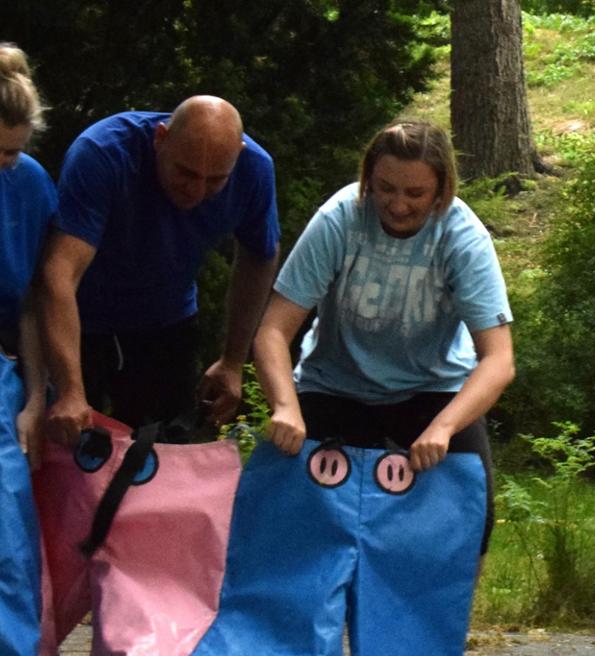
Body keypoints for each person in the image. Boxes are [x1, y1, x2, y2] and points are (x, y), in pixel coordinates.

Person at [254, 121, 509, 545]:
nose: (397, 205)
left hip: (433, 389)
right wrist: (284, 406)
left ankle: (448, 611)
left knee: (471, 518)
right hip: (333, 386)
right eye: (385, 188)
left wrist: (444, 428)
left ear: (442, 191)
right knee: (289, 513)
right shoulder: (338, 220)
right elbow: (273, 331)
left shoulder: (464, 237)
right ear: (368, 178)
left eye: (415, 194)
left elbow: (499, 359)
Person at [38, 95, 278, 440]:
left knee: (167, 448)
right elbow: (59, 272)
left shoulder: (255, 168)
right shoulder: (103, 152)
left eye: (214, 180)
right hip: (82, 319)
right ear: (161, 139)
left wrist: (232, 361)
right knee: (66, 442)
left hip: (166, 320)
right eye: (186, 172)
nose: (196, 191)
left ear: (238, 155)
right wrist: (70, 390)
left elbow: (260, 256)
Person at [0, 39, 54, 656]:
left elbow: (36, 296)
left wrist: (38, 396)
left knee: (7, 553)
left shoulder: (29, 186)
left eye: (9, 150)